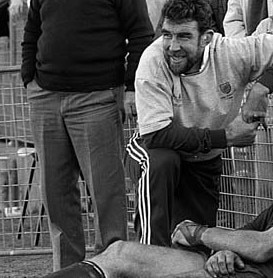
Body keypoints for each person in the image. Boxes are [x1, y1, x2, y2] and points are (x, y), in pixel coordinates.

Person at [42, 88, 273, 278]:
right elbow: (253, 234)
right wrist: (221, 250)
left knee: (128, 265)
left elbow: (265, 246)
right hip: (239, 271)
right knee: (120, 253)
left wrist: (200, 232)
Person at [124, 0, 273, 247]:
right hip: (153, 150)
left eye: (183, 36)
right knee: (162, 161)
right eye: (167, 35)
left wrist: (260, 90)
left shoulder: (231, 52)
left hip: (203, 160)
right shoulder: (153, 59)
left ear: (206, 38)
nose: (173, 46)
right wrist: (225, 137)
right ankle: (148, 254)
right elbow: (156, 135)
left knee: (194, 246)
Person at [22, 0, 154, 271]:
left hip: (97, 97)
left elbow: (141, 34)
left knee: (107, 195)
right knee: (56, 194)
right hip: (45, 96)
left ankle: (111, 269)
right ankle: (68, 272)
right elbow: (32, 28)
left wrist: (130, 87)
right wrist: (29, 77)